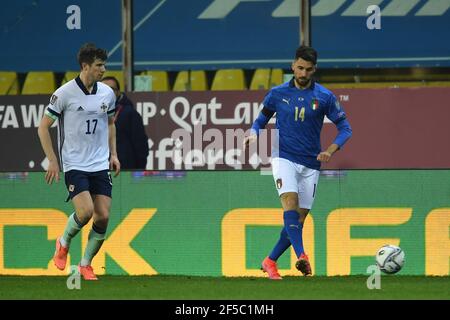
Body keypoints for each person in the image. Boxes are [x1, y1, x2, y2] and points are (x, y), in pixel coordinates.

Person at [243, 45, 352, 279]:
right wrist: (253, 132)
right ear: (293, 65)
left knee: (298, 220)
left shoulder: (324, 96)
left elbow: (345, 128)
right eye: (299, 68)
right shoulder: (277, 93)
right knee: (289, 204)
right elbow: (260, 120)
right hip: (284, 157)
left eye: (308, 70)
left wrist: (330, 151)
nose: (303, 74)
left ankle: (270, 261)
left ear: (315, 69)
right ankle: (302, 256)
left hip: (311, 163)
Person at [37, 43, 120, 280]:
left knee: (102, 216)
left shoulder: (107, 93)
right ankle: (63, 243)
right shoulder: (63, 94)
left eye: (103, 65)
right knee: (85, 212)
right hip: (75, 164)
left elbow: (111, 123)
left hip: (99, 164)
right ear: (85, 66)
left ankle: (85, 264)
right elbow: (43, 128)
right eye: (98, 65)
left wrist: (113, 154)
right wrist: (52, 160)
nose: (103, 70)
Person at [101, 76, 149, 169]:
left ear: (118, 92)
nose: (106, 93)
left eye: (111, 89)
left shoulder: (130, 113)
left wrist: (138, 170)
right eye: (102, 89)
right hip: (98, 169)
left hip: (125, 170)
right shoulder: (91, 113)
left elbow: (140, 145)